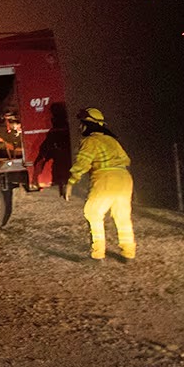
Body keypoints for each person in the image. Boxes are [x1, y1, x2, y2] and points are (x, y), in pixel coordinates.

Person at [65, 107, 136, 261]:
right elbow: (126, 159)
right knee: (122, 216)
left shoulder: (90, 141)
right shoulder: (112, 140)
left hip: (106, 178)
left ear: (88, 124)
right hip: (125, 178)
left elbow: (82, 163)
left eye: (82, 123)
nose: (79, 127)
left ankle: (97, 254)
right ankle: (128, 253)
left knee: (93, 213)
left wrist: (71, 182)